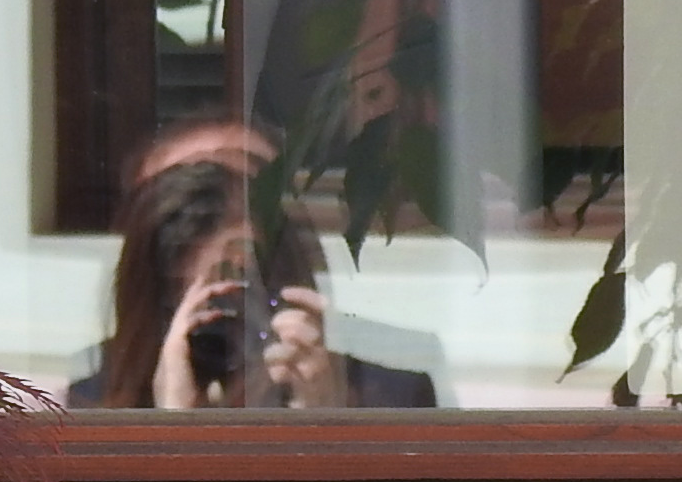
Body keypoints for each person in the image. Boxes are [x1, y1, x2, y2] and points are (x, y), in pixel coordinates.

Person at [74, 143, 437, 410]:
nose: (227, 330)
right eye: (204, 314)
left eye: (242, 296)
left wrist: (323, 428)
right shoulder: (91, 411)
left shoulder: (393, 400)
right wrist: (170, 435)